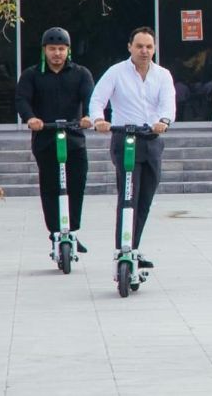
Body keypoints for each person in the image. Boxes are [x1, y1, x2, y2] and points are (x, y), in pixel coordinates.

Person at [90, 26, 176, 268]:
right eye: (139, 46)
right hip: (125, 140)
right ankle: (123, 250)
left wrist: (164, 121)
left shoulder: (163, 75)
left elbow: (168, 104)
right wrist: (98, 120)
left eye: (149, 46)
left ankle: (133, 248)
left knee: (145, 199)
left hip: (152, 140)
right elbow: (97, 99)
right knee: (128, 196)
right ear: (130, 47)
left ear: (154, 49)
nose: (144, 51)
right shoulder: (116, 72)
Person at [15, 27, 95, 252]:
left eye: (61, 49)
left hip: (74, 139)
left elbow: (91, 97)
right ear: (44, 50)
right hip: (45, 139)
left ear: (68, 50)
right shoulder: (31, 75)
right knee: (50, 186)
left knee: (76, 184)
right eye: (52, 49)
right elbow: (22, 100)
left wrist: (88, 116)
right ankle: (55, 231)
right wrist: (31, 118)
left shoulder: (81, 74)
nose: (57, 53)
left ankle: (72, 230)